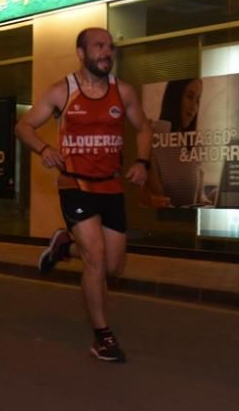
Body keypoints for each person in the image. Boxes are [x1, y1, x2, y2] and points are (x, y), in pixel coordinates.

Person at [15, 27, 152, 364]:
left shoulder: (124, 92)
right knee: (95, 258)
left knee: (113, 266)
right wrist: (44, 147)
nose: (107, 52)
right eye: (99, 46)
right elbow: (23, 126)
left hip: (112, 185)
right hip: (74, 184)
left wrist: (142, 162)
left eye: (110, 47)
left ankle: (64, 245)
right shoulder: (62, 91)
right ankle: (102, 337)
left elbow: (144, 127)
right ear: (81, 53)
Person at [140, 77, 213, 208]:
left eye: (197, 100)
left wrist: (207, 200)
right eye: (189, 97)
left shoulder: (196, 142)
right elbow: (159, 196)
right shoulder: (154, 137)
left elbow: (199, 194)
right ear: (175, 97)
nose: (194, 107)